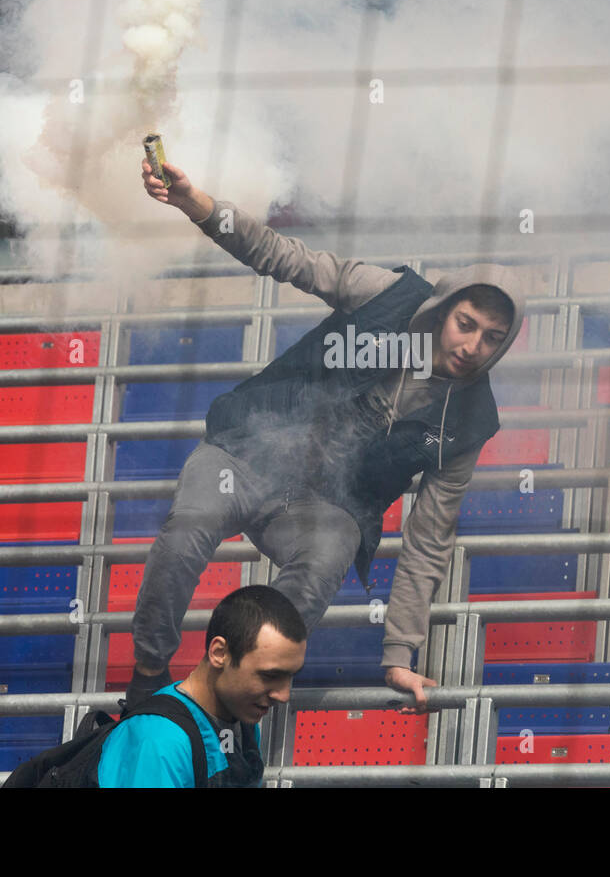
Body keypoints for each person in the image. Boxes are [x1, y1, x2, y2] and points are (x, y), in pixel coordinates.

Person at [127, 157, 528, 714]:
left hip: (325, 502)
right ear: (444, 312)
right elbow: (281, 255)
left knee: (328, 556)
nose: (472, 345)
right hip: (246, 451)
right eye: (467, 324)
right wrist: (198, 206)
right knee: (187, 528)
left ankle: (234, 689)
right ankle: (148, 675)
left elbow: (430, 537)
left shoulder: (470, 421)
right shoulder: (389, 294)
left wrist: (400, 653)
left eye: (492, 338)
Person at [98, 584, 306, 787]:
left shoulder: (243, 721)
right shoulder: (159, 741)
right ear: (219, 653)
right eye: (269, 675)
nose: (283, 695)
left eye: (290, 676)